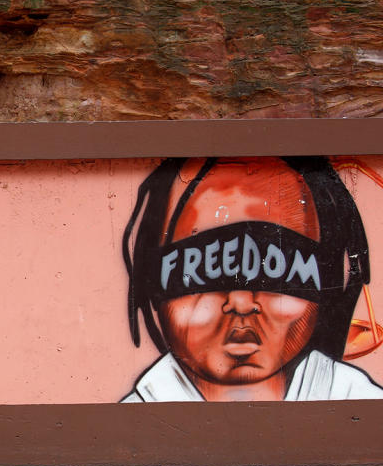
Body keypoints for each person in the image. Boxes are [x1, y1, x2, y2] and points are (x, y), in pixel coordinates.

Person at [122, 156, 383, 402]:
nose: (242, 302)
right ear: (154, 279)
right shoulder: (128, 423)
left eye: (275, 269)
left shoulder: (360, 401)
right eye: (207, 268)